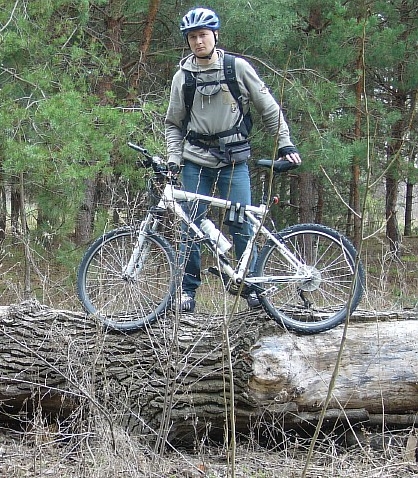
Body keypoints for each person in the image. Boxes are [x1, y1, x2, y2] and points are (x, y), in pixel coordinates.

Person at [165, 7, 301, 313]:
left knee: (242, 224)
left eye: (203, 35)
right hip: (195, 159)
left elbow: (269, 108)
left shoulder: (236, 68)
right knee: (190, 227)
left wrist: (284, 143)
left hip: (234, 158)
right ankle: (187, 291)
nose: (198, 41)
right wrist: (174, 158)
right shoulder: (182, 77)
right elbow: (173, 123)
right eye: (192, 37)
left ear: (215, 35)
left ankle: (250, 286)